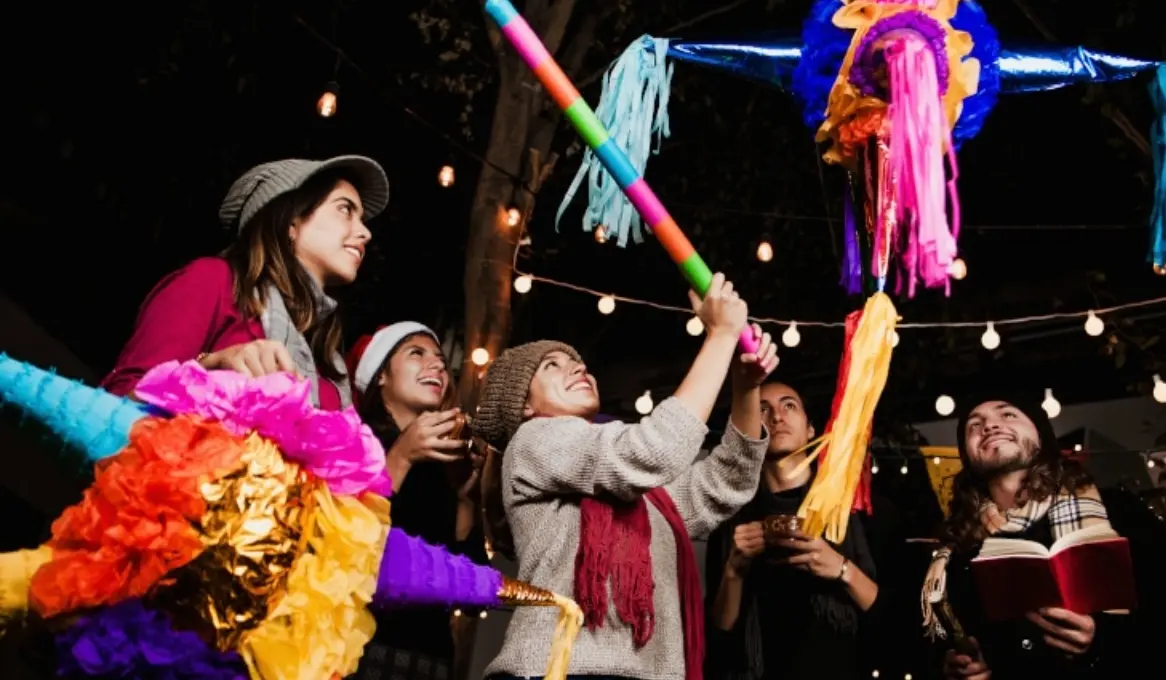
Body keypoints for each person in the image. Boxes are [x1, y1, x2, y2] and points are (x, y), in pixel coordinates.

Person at [473, 274, 779, 680]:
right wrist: (721, 338)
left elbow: (725, 483)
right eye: (552, 366)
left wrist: (745, 388)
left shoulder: (638, 490)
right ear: (523, 407)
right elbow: (652, 450)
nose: (578, 367)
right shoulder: (533, 441)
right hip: (556, 670)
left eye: (577, 361)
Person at [923, 391, 1166, 679]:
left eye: (1008, 414)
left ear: (1041, 436)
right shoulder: (959, 551)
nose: (990, 426)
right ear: (967, 454)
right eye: (974, 425)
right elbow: (942, 647)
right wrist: (963, 670)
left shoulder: (1118, 511)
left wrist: (1101, 641)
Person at [101, 155, 390, 409]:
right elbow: (113, 405)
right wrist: (206, 369)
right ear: (291, 221)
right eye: (345, 209)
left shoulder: (328, 361)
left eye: (362, 218)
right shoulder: (215, 282)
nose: (365, 232)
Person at [704, 382, 899, 680]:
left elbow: (895, 620)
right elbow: (717, 639)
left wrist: (841, 568)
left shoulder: (859, 510)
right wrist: (734, 570)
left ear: (810, 429)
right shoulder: (732, 519)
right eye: (762, 409)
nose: (777, 417)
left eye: (789, 406)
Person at [346, 321, 488, 680]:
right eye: (417, 353)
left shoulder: (444, 465)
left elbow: (469, 593)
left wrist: (466, 499)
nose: (437, 365)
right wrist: (401, 457)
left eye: (441, 360)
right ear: (380, 376)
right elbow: (342, 544)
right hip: (355, 647)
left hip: (430, 657)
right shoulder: (351, 441)